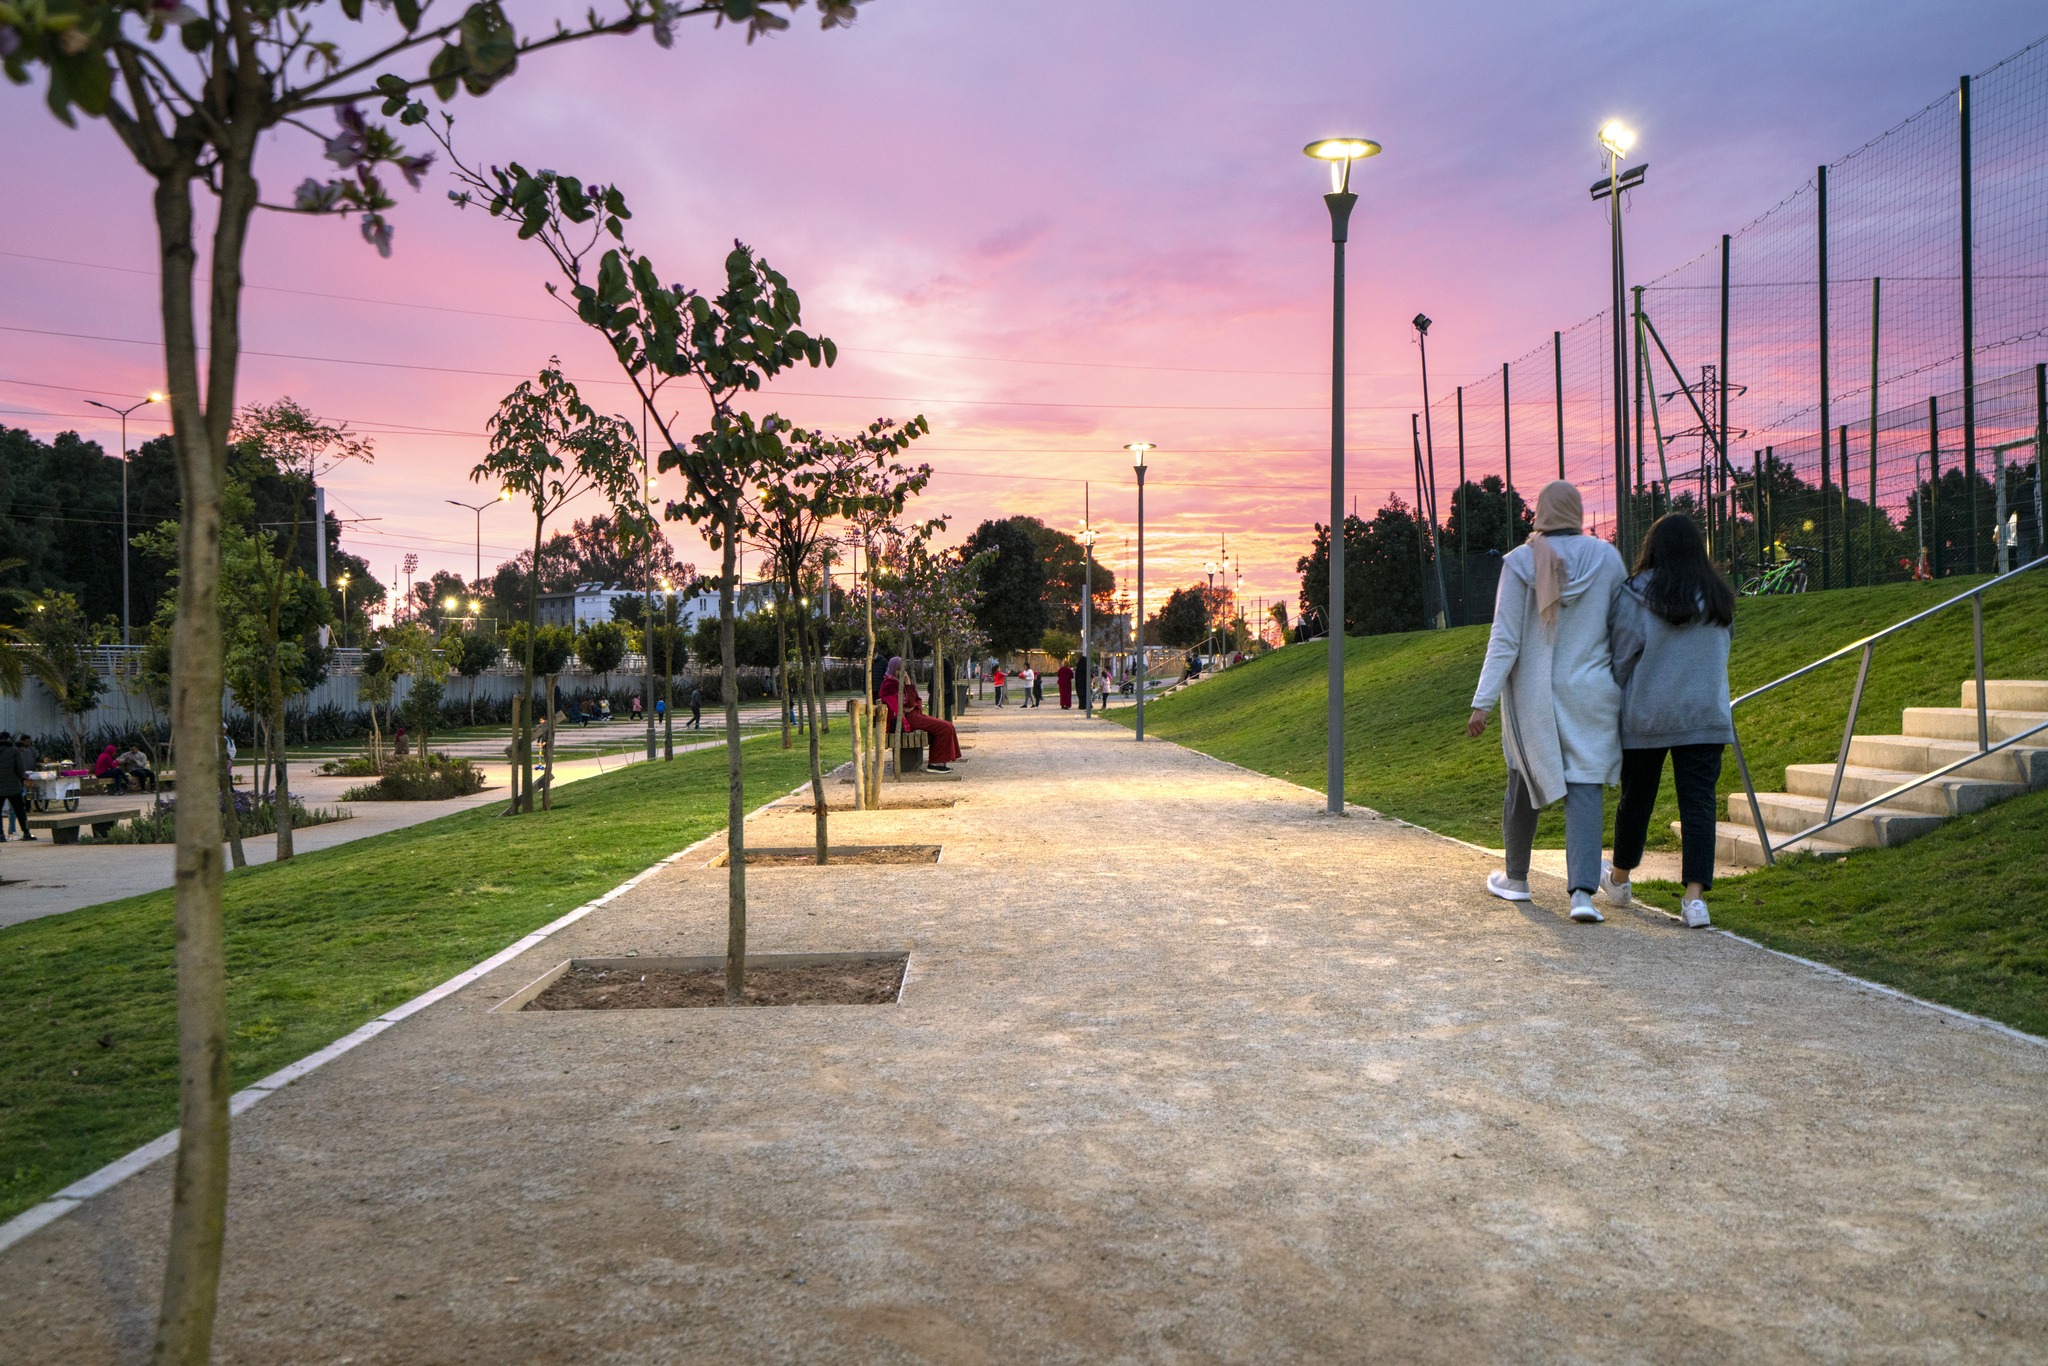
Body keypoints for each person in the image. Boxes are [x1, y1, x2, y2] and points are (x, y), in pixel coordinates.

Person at [1467, 480, 1627, 924]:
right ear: (1577, 512)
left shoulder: (1520, 562)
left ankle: (1516, 878)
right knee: (1585, 784)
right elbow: (1622, 627)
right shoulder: (1607, 558)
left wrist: (1482, 702)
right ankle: (1582, 895)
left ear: (1539, 513)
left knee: (1522, 776)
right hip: (1593, 690)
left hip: (1532, 694)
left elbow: (1504, 639)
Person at [1601, 513, 1735, 930]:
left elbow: (1622, 658)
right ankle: (1694, 900)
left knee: (1636, 799)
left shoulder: (1636, 593)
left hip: (1648, 715)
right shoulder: (1717, 595)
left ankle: (1619, 879)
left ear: (1653, 547)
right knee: (1699, 805)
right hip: (1705, 714)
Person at [879, 656, 961, 772]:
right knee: (944, 727)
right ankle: (935, 764)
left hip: (913, 715)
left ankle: (939, 762)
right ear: (892, 668)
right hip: (904, 720)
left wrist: (912, 705)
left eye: (903, 668)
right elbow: (906, 704)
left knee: (948, 725)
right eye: (898, 669)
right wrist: (908, 685)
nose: (901, 672)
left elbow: (916, 700)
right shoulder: (889, 685)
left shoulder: (899, 682)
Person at [0, 732, 27, 840]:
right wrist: (22, 778)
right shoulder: (14, 751)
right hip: (13, 786)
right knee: (19, 810)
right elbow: (21, 769)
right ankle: (26, 832)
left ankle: (1, 835)